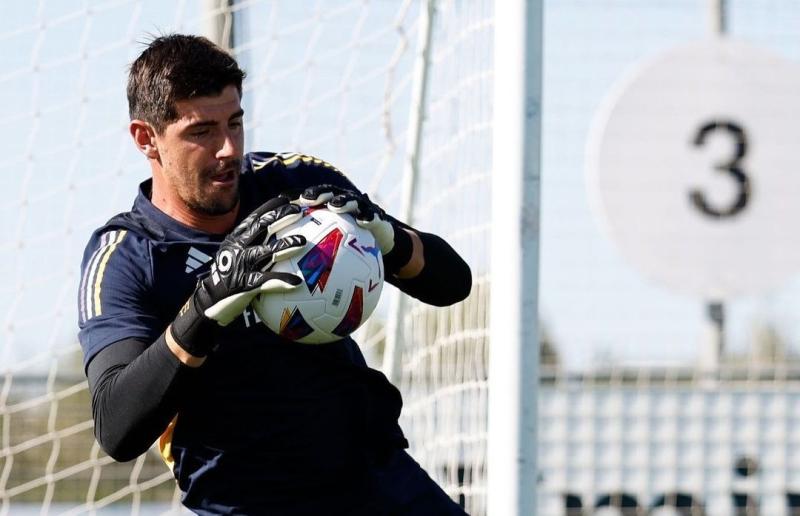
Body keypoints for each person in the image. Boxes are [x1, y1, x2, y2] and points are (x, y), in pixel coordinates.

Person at [77, 33, 472, 515]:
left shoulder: (297, 187)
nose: (228, 149)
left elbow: (454, 284)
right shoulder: (127, 258)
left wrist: (386, 235)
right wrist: (205, 309)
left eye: (235, 123)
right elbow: (116, 426)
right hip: (247, 502)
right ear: (147, 139)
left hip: (375, 479)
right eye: (201, 132)